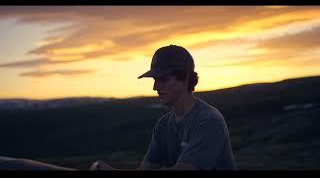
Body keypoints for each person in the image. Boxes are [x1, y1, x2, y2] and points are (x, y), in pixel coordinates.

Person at [90, 45, 237, 170]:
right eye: (155, 80)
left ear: (185, 78)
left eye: (163, 79)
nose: (155, 87)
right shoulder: (163, 125)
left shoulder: (208, 120)